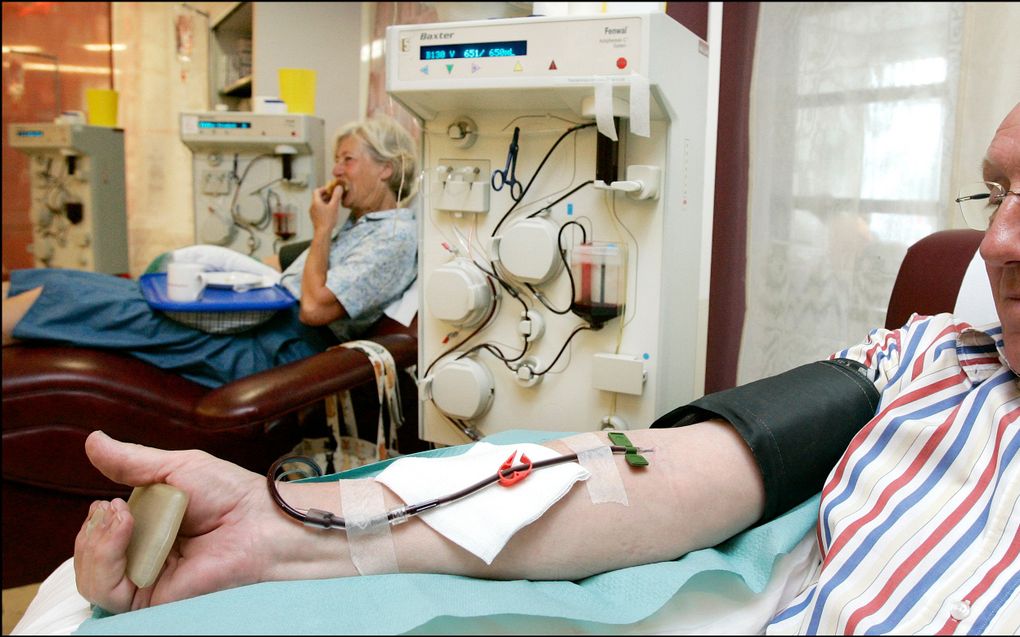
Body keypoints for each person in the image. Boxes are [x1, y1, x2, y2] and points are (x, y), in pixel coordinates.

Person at [73, 103, 1019, 632]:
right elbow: (645, 477)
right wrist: (291, 528)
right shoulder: (923, 360)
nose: (999, 241)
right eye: (997, 193)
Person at [1, 114, 418, 388]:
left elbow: (314, 308)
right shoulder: (360, 226)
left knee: (97, 305)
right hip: (259, 318)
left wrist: (322, 229)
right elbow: (281, 265)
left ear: (387, 168)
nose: (337, 170)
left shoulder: (395, 237)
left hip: (275, 348)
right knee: (84, 283)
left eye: (348, 159)